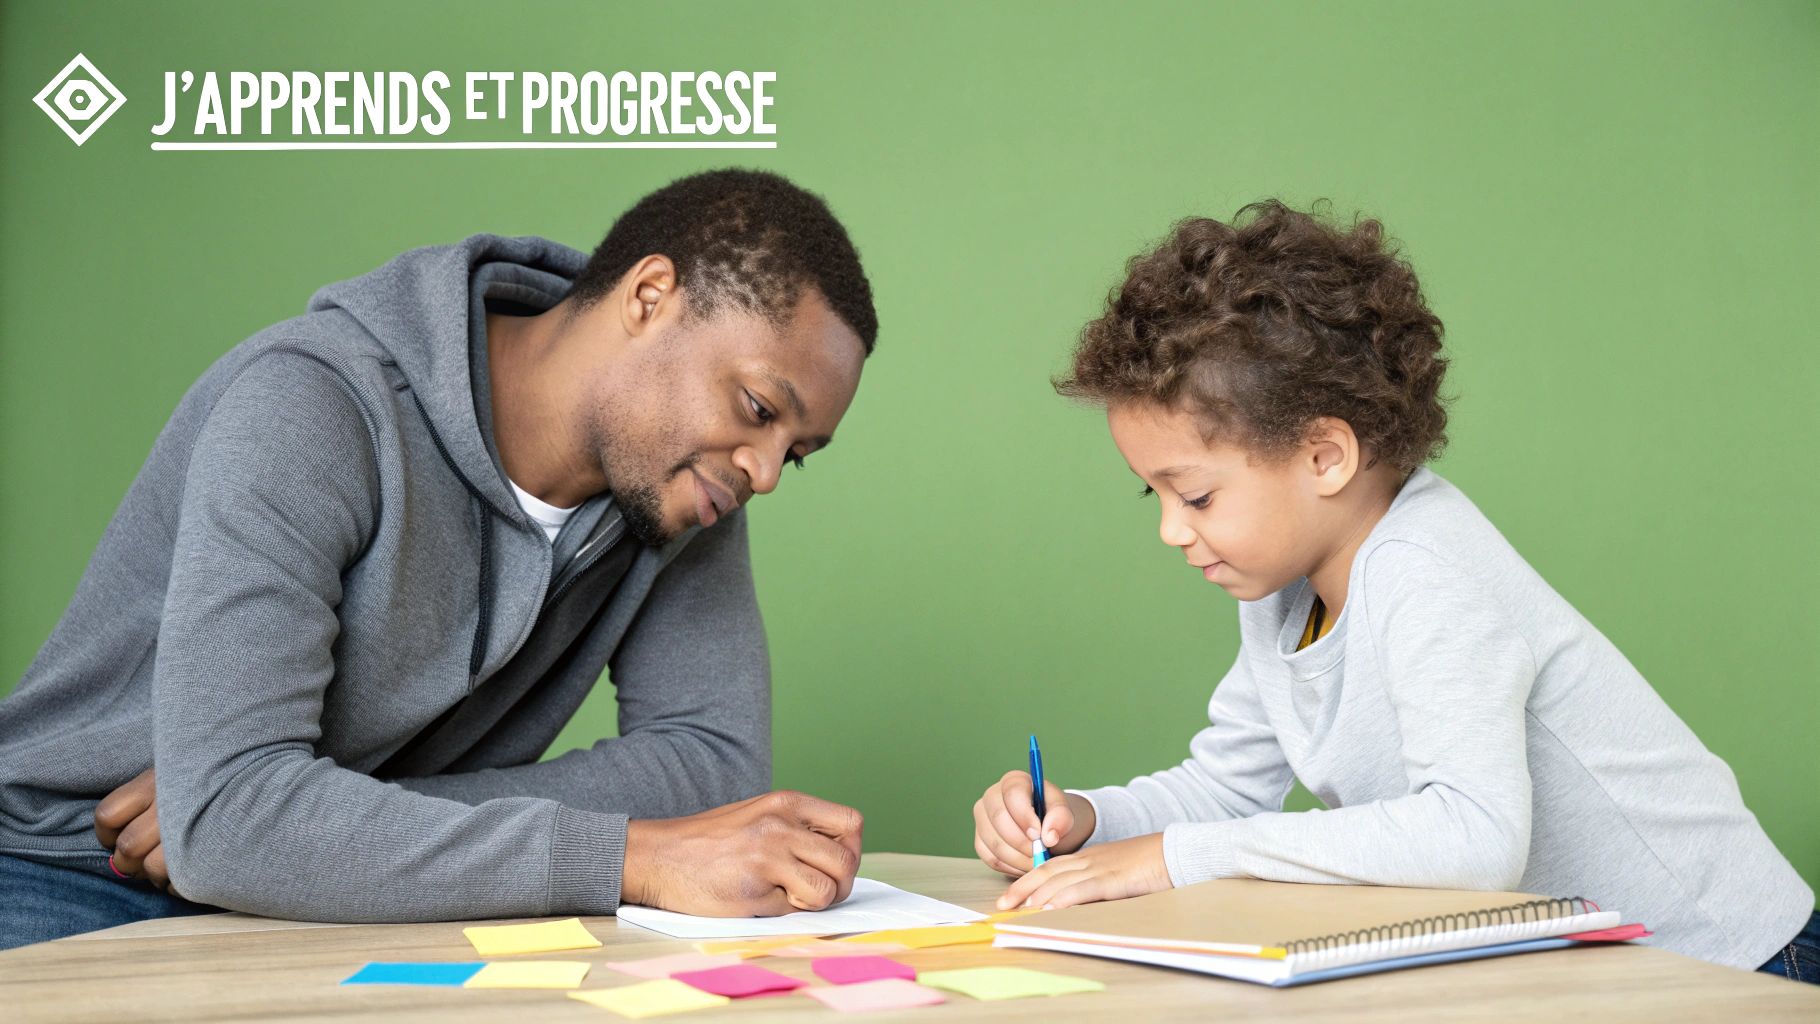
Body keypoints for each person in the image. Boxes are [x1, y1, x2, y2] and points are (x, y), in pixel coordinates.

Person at [0, 168, 875, 950]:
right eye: (759, 406)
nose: (764, 473)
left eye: (797, 451)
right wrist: (628, 856)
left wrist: (302, 815)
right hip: (69, 871)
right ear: (650, 297)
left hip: (339, 901)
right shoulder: (314, 407)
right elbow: (231, 818)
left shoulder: (684, 492)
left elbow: (711, 767)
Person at [968, 200, 1818, 981]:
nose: (1171, 530)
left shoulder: (1426, 569)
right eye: (1152, 495)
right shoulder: (1282, 594)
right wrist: (1082, 821)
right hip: (1601, 970)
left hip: (1734, 963)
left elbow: (1475, 836)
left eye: (1195, 496)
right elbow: (1225, 790)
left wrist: (1172, 857)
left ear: (1325, 457)